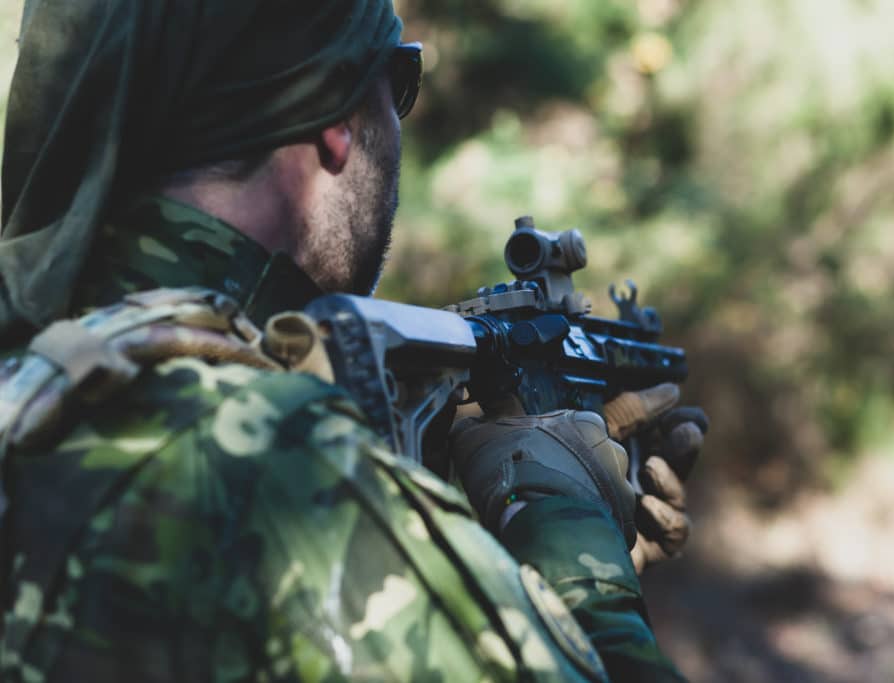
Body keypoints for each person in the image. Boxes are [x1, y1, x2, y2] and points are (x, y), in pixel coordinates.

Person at [0, 1, 706, 680]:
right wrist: (572, 547)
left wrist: (464, 544)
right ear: (336, 116)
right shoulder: (286, 473)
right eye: (397, 82)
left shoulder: (46, 367)